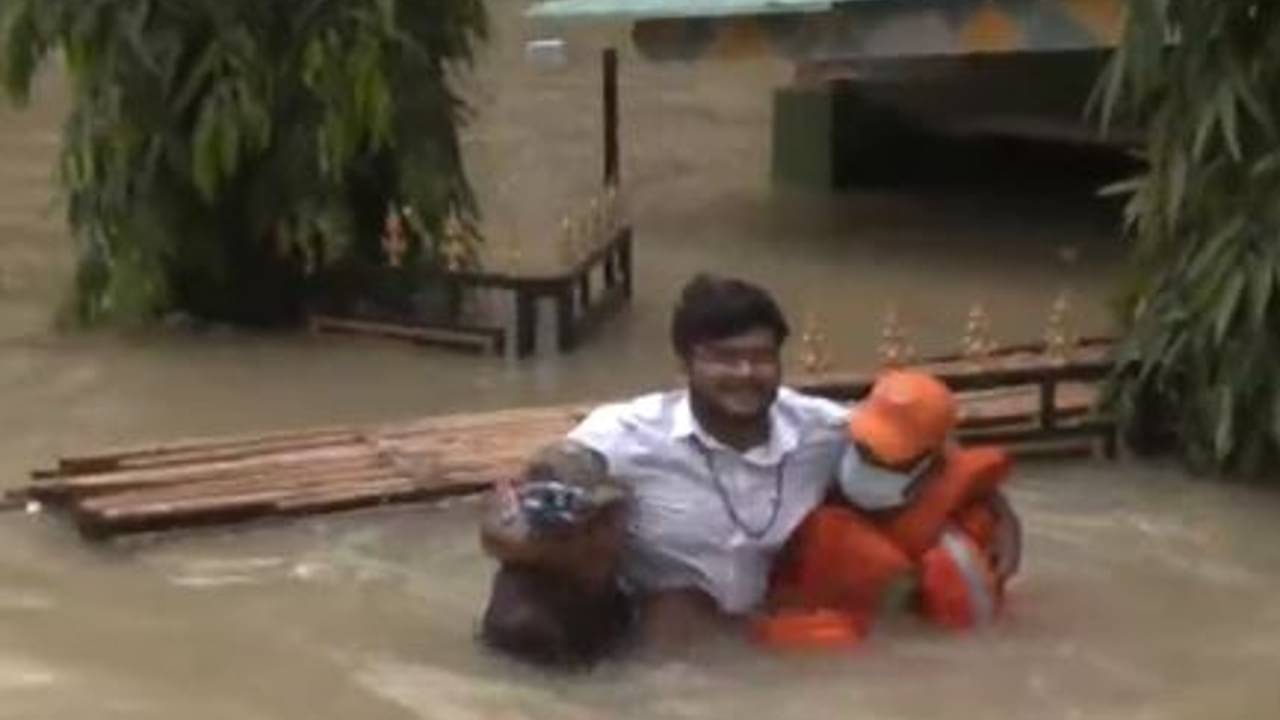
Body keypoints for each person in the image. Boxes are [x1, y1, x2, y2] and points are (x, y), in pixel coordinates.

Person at [562, 273, 855, 649]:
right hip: (654, 623)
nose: (746, 373)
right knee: (675, 609)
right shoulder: (628, 434)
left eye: (761, 358)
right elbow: (553, 474)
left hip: (775, 621)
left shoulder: (824, 431)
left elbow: (917, 458)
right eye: (725, 359)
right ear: (685, 367)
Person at [756, 370, 1022, 649]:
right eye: (863, 449)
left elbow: (973, 642)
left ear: (930, 466)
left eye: (889, 461)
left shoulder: (953, 553)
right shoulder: (821, 449)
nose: (867, 464)